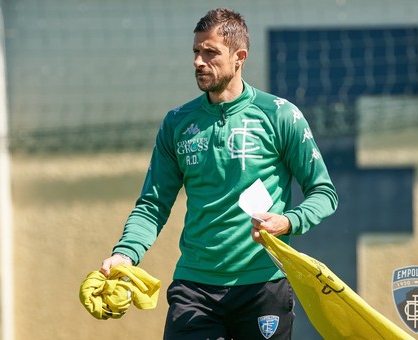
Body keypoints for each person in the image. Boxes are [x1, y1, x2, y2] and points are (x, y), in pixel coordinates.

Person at [101, 8, 338, 339]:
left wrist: (287, 222)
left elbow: (324, 193)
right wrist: (125, 254)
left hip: (263, 284)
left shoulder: (281, 115)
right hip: (195, 288)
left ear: (239, 57)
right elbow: (153, 204)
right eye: (196, 52)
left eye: (210, 52)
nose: (199, 61)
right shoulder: (177, 123)